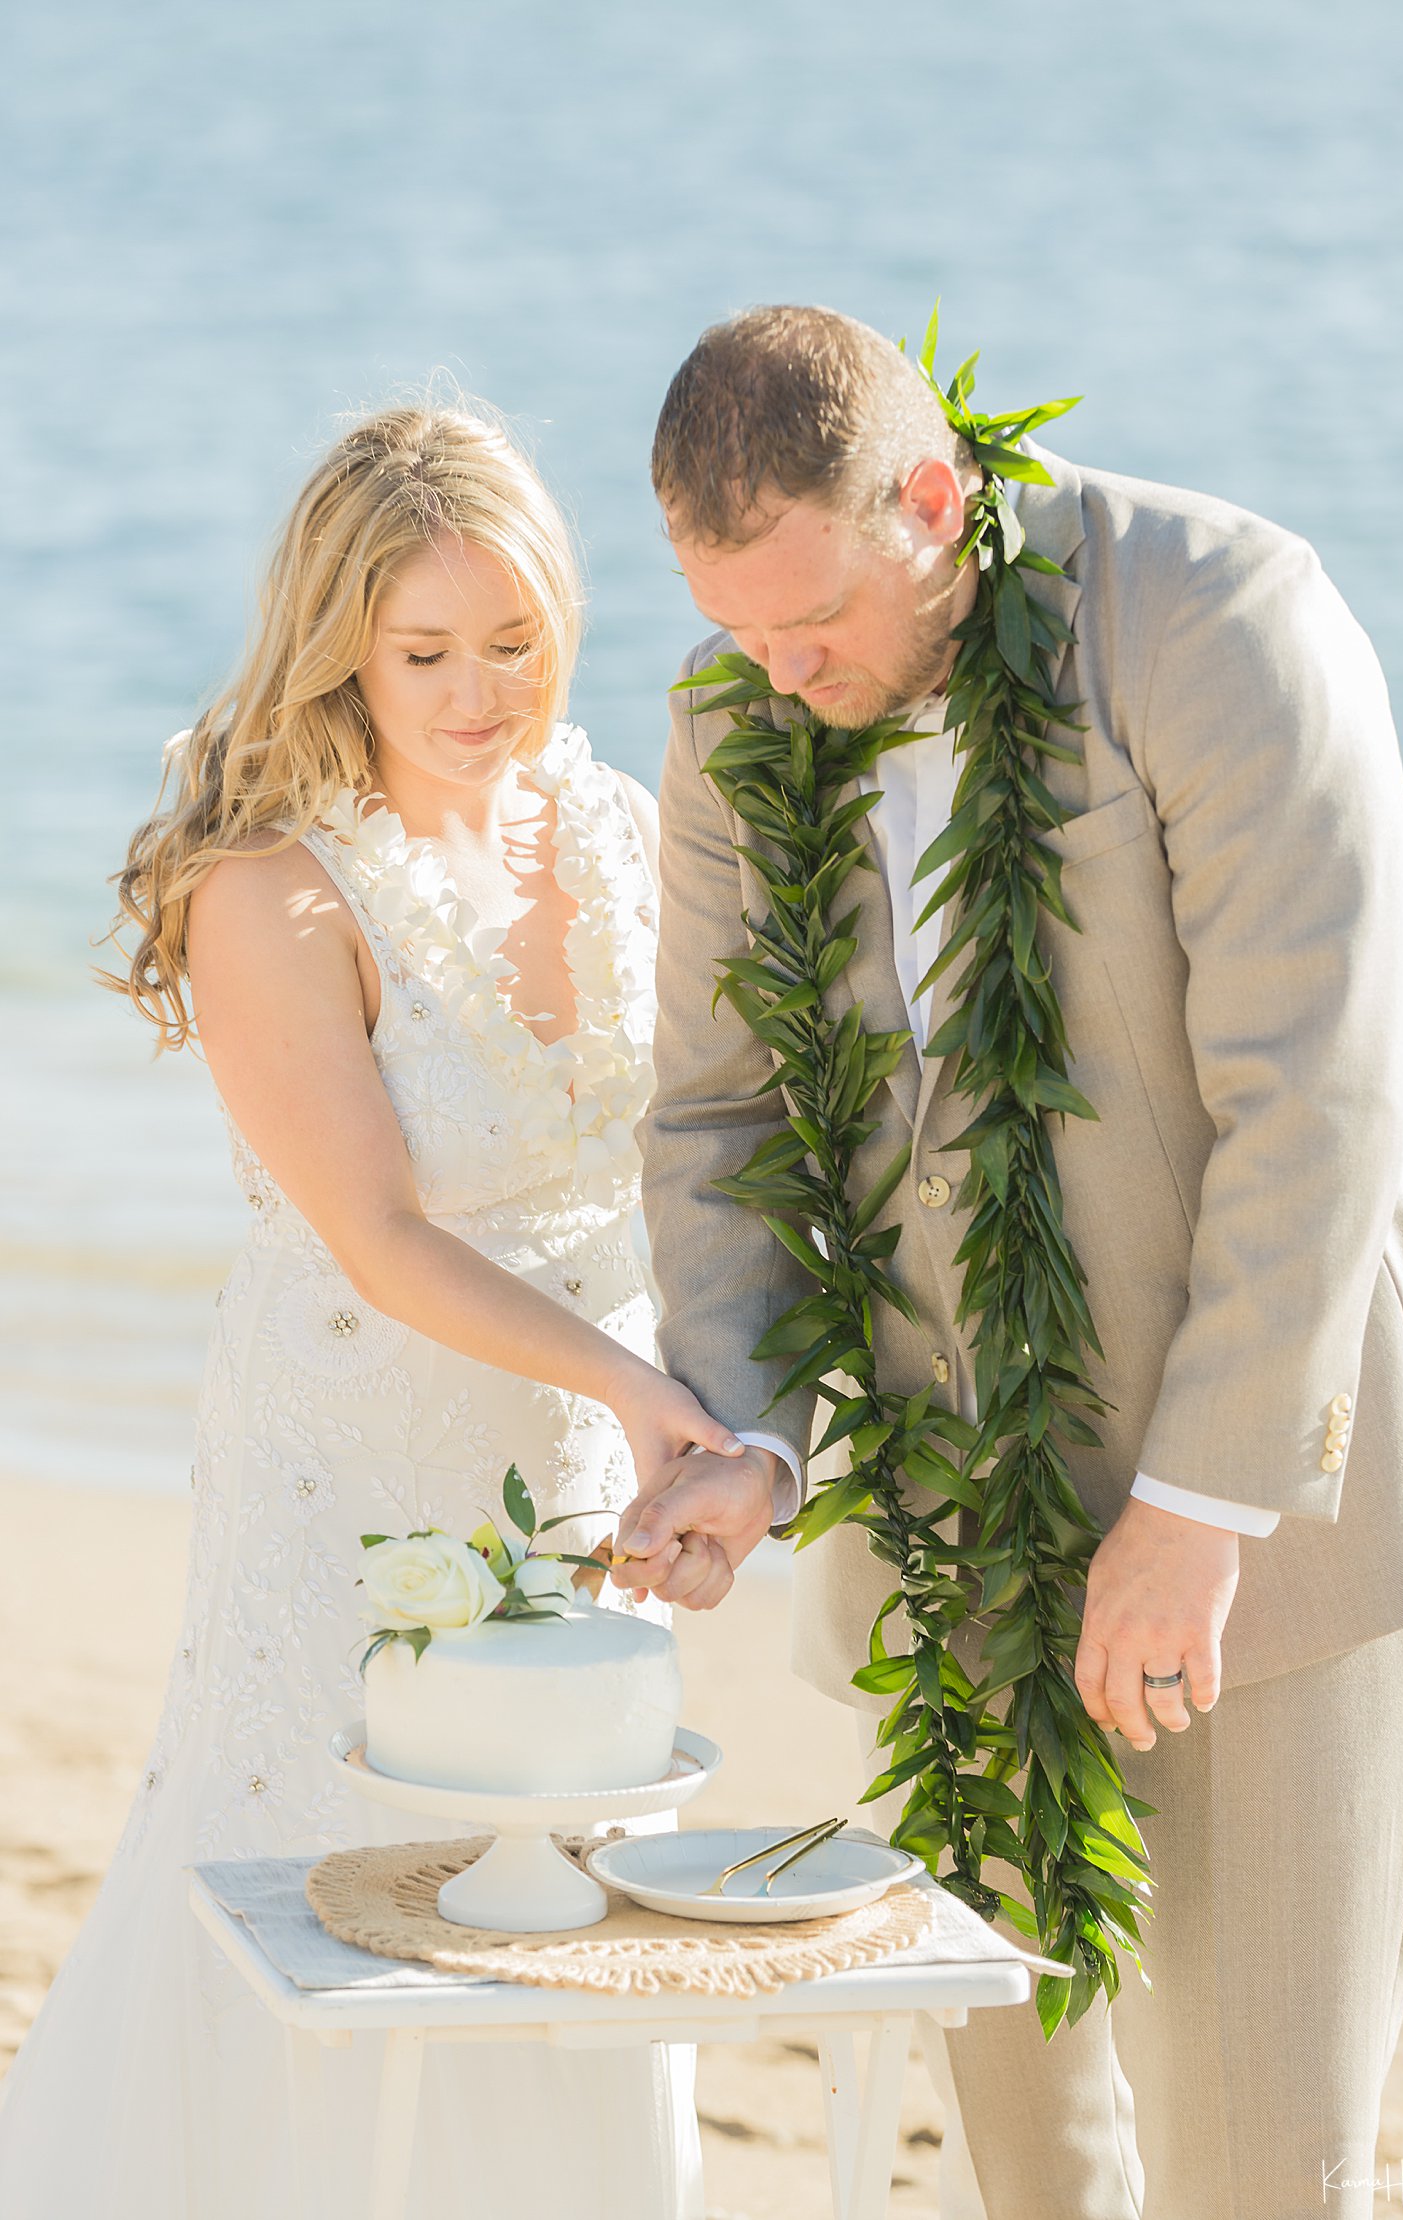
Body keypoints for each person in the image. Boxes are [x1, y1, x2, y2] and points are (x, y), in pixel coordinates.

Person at [615, 305, 1403, 2219]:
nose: (779, 667)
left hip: (1276, 1512)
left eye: (814, 618)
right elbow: (719, 1123)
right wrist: (746, 1434)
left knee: (1264, 2153)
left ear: (934, 500)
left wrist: (1202, 1498)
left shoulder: (1220, 616)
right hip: (955, 1527)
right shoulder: (733, 713)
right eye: (739, 623)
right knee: (1030, 2152)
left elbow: (1315, 1098)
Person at [0, 400, 739, 2219]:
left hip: (581, 1463)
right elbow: (383, 1237)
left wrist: (706, 1431)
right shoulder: (269, 891)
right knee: (327, 1872)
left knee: (564, 1884)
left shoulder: (613, 820)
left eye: (519, 644)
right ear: (341, 642)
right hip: (351, 1466)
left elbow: (698, 1149)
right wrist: (650, 1400)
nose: (483, 693)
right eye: (427, 652)